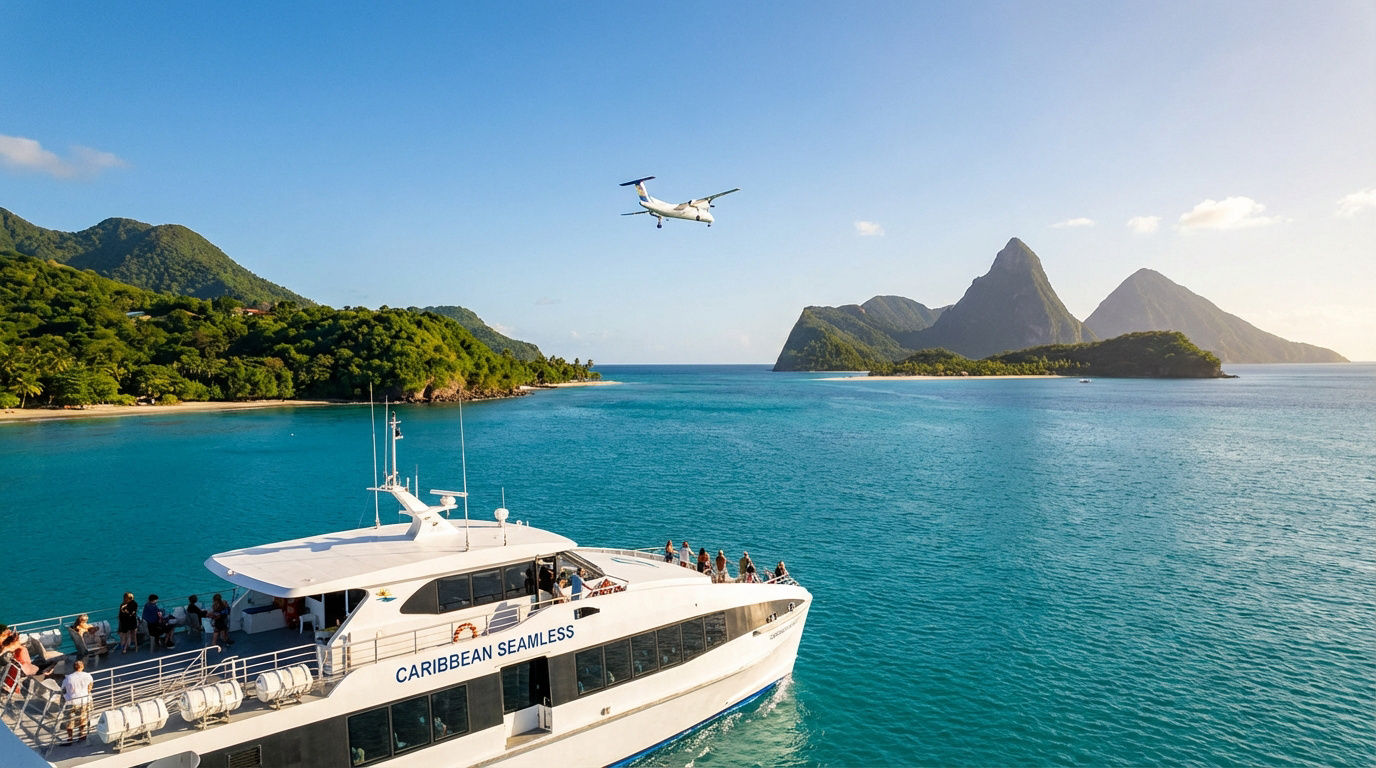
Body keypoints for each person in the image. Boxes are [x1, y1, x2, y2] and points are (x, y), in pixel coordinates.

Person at [61, 659, 94, 744]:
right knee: (83, 718)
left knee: (69, 720)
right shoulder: (88, 676)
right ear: (82, 667)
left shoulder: (68, 678)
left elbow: (63, 689)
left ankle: (70, 738)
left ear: (73, 668)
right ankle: (82, 735)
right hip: (84, 700)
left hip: (71, 701)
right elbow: (90, 688)